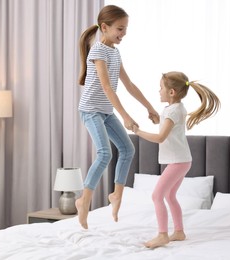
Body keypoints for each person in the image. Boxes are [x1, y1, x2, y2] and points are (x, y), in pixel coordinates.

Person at [76, 5, 159, 230]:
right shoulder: (98, 51)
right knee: (104, 153)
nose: (124, 34)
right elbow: (106, 87)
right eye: (120, 29)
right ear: (105, 27)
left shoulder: (114, 51)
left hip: (106, 111)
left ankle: (117, 195)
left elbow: (128, 84)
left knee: (127, 149)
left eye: (125, 29)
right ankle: (84, 200)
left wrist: (149, 107)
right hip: (91, 110)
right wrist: (126, 116)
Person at [132, 71, 220, 249]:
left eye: (161, 88)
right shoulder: (175, 108)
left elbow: (161, 138)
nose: (158, 91)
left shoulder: (173, 110)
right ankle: (179, 232)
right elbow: (170, 128)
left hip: (178, 161)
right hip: (182, 160)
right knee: (170, 195)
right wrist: (159, 119)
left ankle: (162, 235)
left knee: (157, 195)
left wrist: (137, 131)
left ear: (171, 92)